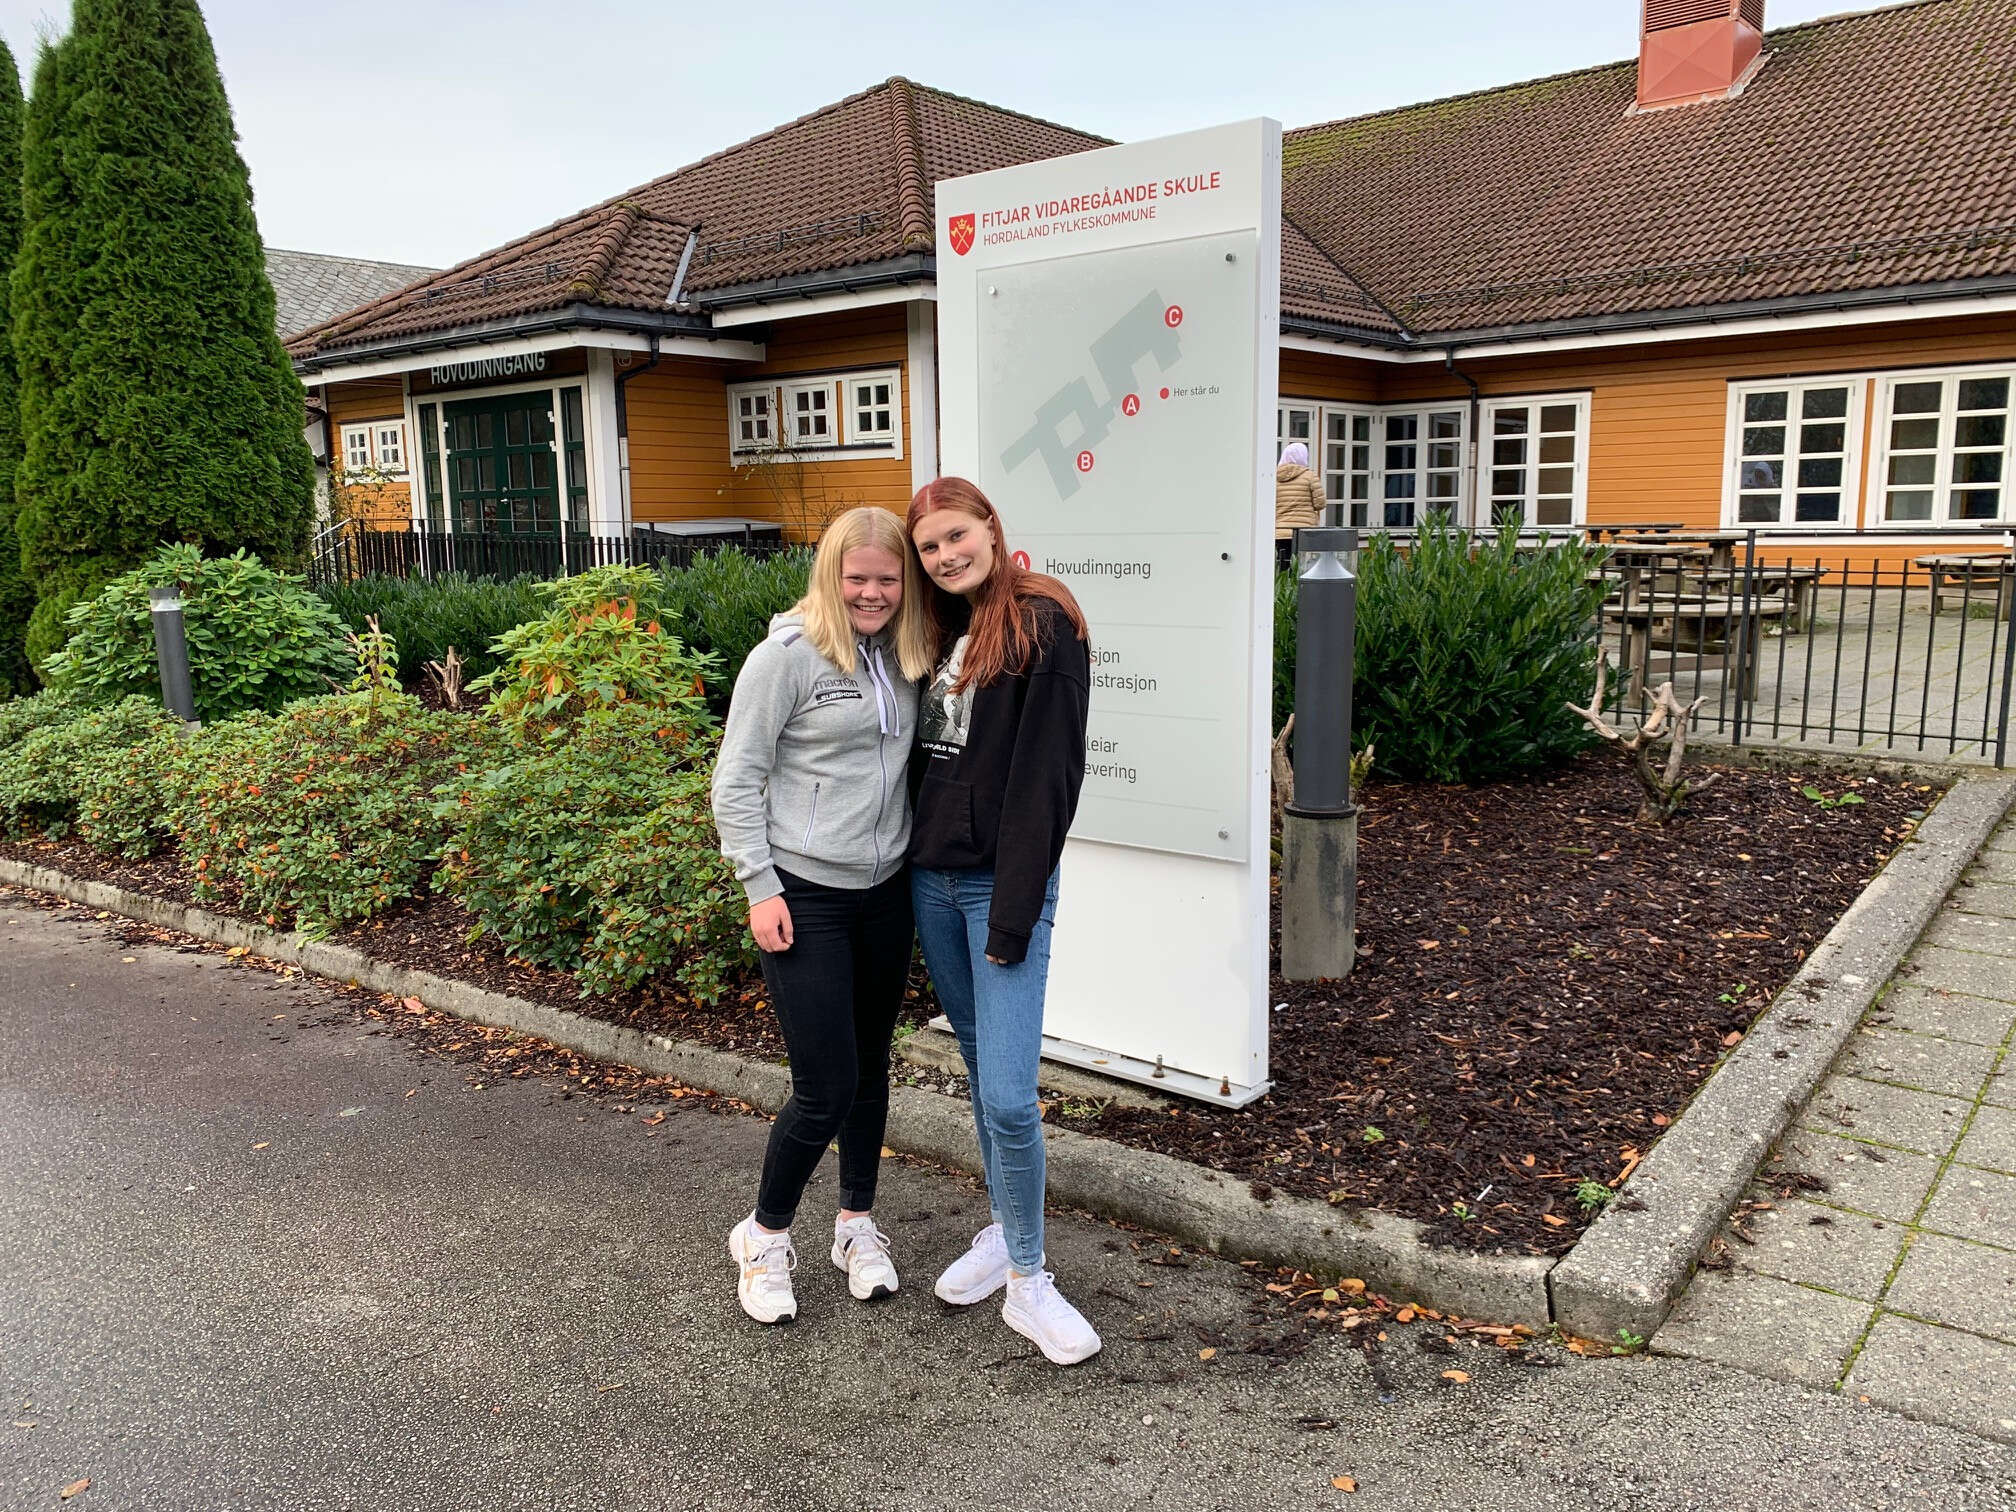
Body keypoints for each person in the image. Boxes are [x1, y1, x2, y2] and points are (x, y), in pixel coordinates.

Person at [711, 506, 934, 1326]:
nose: (872, 593)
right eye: (857, 577)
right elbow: (737, 779)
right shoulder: (786, 659)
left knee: (870, 1068)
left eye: (888, 579)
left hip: (886, 892)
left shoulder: (909, 655)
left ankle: (855, 1227)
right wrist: (759, 886)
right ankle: (764, 1236)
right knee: (825, 1084)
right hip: (804, 893)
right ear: (830, 576)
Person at [904, 477, 1100, 1367]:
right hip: (931, 883)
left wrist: (1013, 918)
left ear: (990, 527)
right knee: (983, 1071)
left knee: (1012, 1097)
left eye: (957, 535)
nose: (947, 556)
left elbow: (1047, 783)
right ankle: (1003, 1228)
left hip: (998, 889)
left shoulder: (1044, 623)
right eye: (930, 547)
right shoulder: (937, 625)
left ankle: (1028, 1279)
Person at [1275, 441, 1325, 570]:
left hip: (1280, 531)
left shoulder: (1274, 477)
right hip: (1304, 532)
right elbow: (1320, 504)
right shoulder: (1310, 476)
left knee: (1282, 568)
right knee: (1302, 569)